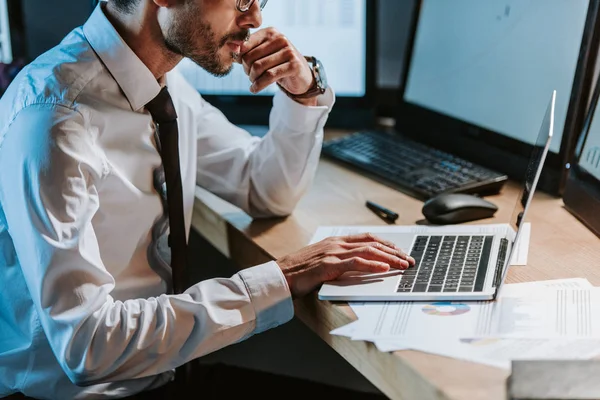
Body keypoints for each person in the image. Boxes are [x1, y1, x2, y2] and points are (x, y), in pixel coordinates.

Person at [0, 0, 415, 398]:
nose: (254, 17)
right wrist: (283, 277)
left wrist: (303, 92)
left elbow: (264, 188)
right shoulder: (54, 118)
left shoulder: (161, 82)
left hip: (161, 377)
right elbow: (89, 346)